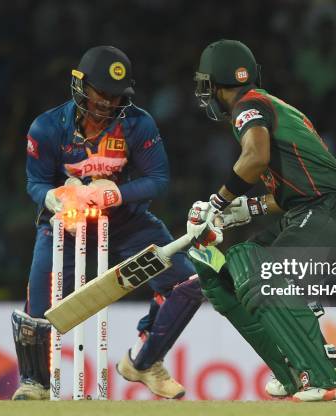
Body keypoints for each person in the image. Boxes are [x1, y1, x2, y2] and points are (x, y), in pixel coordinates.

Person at [11, 46, 202, 400]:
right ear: (80, 84)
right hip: (65, 229)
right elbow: (34, 182)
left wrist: (114, 194)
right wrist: (53, 197)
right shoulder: (48, 127)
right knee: (38, 306)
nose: (107, 103)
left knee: (185, 283)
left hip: (128, 223)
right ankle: (33, 383)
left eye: (116, 96)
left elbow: (158, 179)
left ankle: (145, 362)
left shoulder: (137, 122)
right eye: (101, 92)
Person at [185, 39, 336, 402]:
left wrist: (218, 201)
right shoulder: (272, 107)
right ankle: (291, 369)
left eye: (207, 86)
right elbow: (295, 190)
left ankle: (330, 376)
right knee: (230, 268)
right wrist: (246, 209)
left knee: (266, 274)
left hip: (332, 211)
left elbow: (255, 157)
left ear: (218, 83)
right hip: (315, 211)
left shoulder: (249, 105)